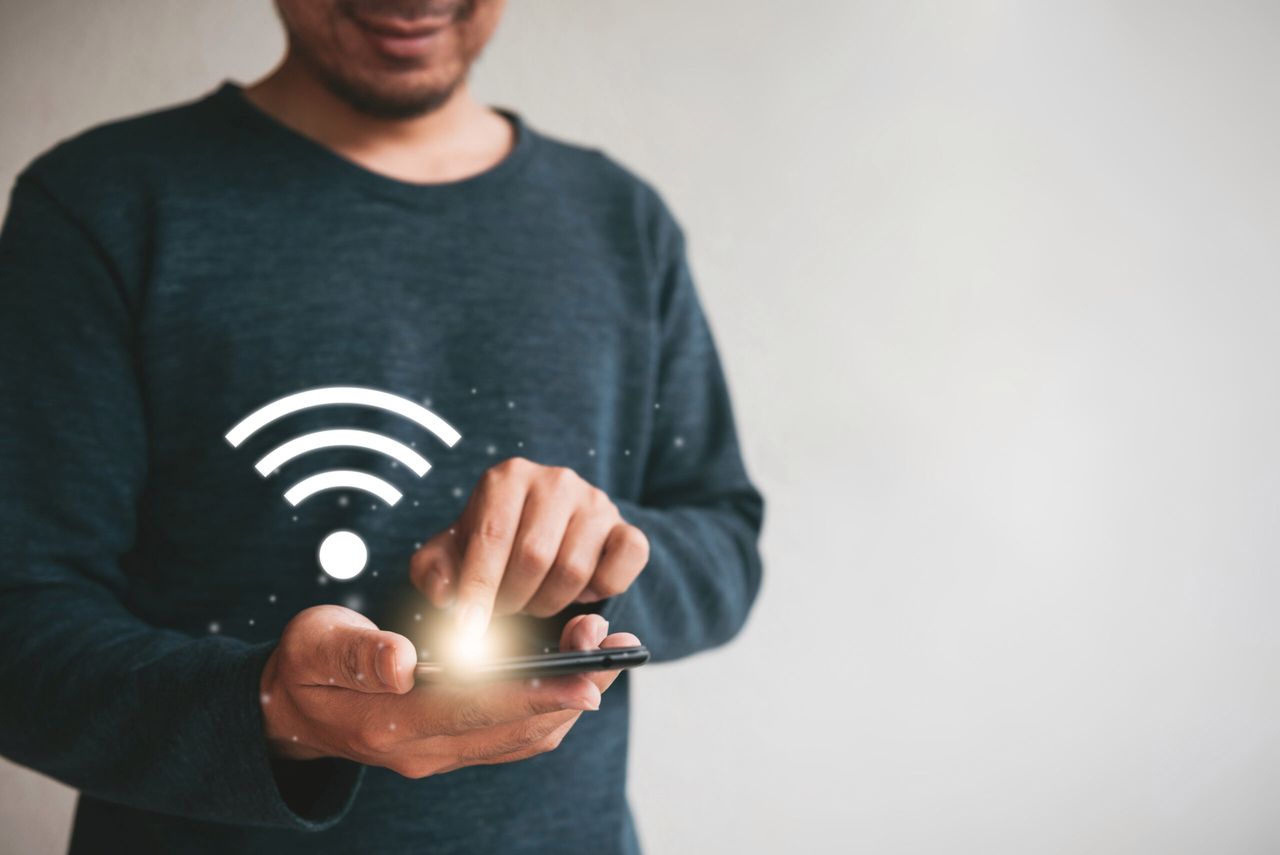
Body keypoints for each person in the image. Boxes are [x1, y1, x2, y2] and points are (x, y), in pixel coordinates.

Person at [0, 0, 763, 851]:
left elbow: (726, 539)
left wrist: (600, 559)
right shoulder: (102, 205)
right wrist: (272, 706)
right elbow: (19, 617)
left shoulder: (621, 220)